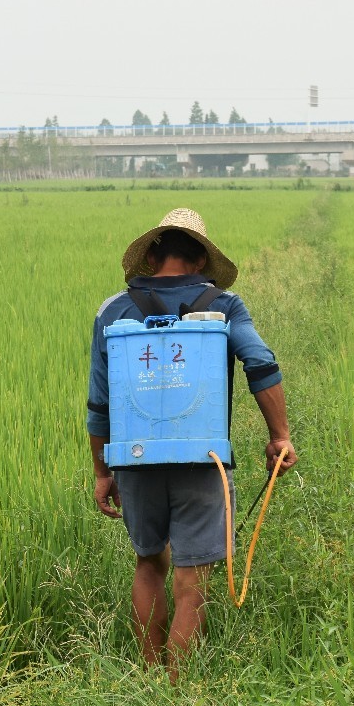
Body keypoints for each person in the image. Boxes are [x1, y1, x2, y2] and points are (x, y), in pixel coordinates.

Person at [87, 207, 297, 681]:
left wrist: (103, 471)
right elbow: (261, 364)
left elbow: (99, 402)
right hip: (203, 460)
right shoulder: (224, 306)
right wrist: (278, 435)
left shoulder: (111, 311)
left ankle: (149, 677)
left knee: (148, 563)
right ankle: (177, 692)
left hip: (134, 460)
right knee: (193, 578)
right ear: (201, 260)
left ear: (153, 254)